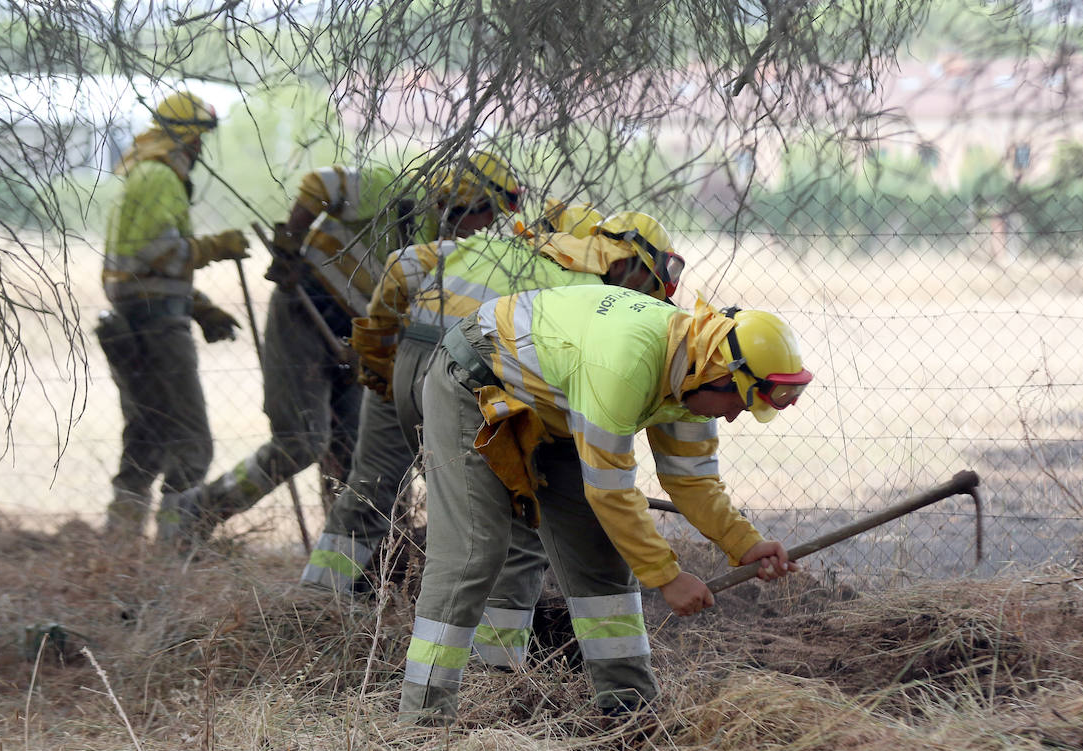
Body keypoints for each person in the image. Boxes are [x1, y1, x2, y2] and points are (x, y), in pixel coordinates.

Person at [398, 286, 813, 724]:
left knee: (599, 557)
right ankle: (423, 721)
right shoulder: (626, 363)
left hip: (559, 405)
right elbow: (610, 492)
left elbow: (694, 482)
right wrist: (667, 576)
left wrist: (745, 544)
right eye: (737, 402)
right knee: (474, 551)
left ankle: (630, 713)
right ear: (719, 373)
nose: (731, 416)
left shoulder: (695, 371)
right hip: (475, 380)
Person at [299, 208, 684, 624]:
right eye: (652, 285)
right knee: (517, 523)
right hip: (475, 377)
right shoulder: (595, 297)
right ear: (627, 263)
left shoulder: (493, 246)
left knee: (371, 483)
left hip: (409, 355)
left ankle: (316, 607)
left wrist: (376, 351)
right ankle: (498, 664)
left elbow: (401, 263)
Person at [174, 150, 521, 545]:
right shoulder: (390, 192)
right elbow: (318, 186)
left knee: (357, 452)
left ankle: (352, 551)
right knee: (301, 442)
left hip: (358, 335)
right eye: (490, 212)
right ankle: (202, 508)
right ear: (467, 200)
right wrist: (290, 244)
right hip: (306, 309)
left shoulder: (448, 245)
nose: (491, 226)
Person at [97, 89, 249, 540]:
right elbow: (160, 252)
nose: (202, 148)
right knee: (191, 444)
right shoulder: (160, 177)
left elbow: (138, 271)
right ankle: (176, 548)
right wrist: (215, 248)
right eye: (200, 138)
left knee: (146, 438)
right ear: (187, 139)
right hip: (157, 326)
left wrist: (199, 307)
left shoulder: (142, 172)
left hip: (134, 320)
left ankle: (119, 545)